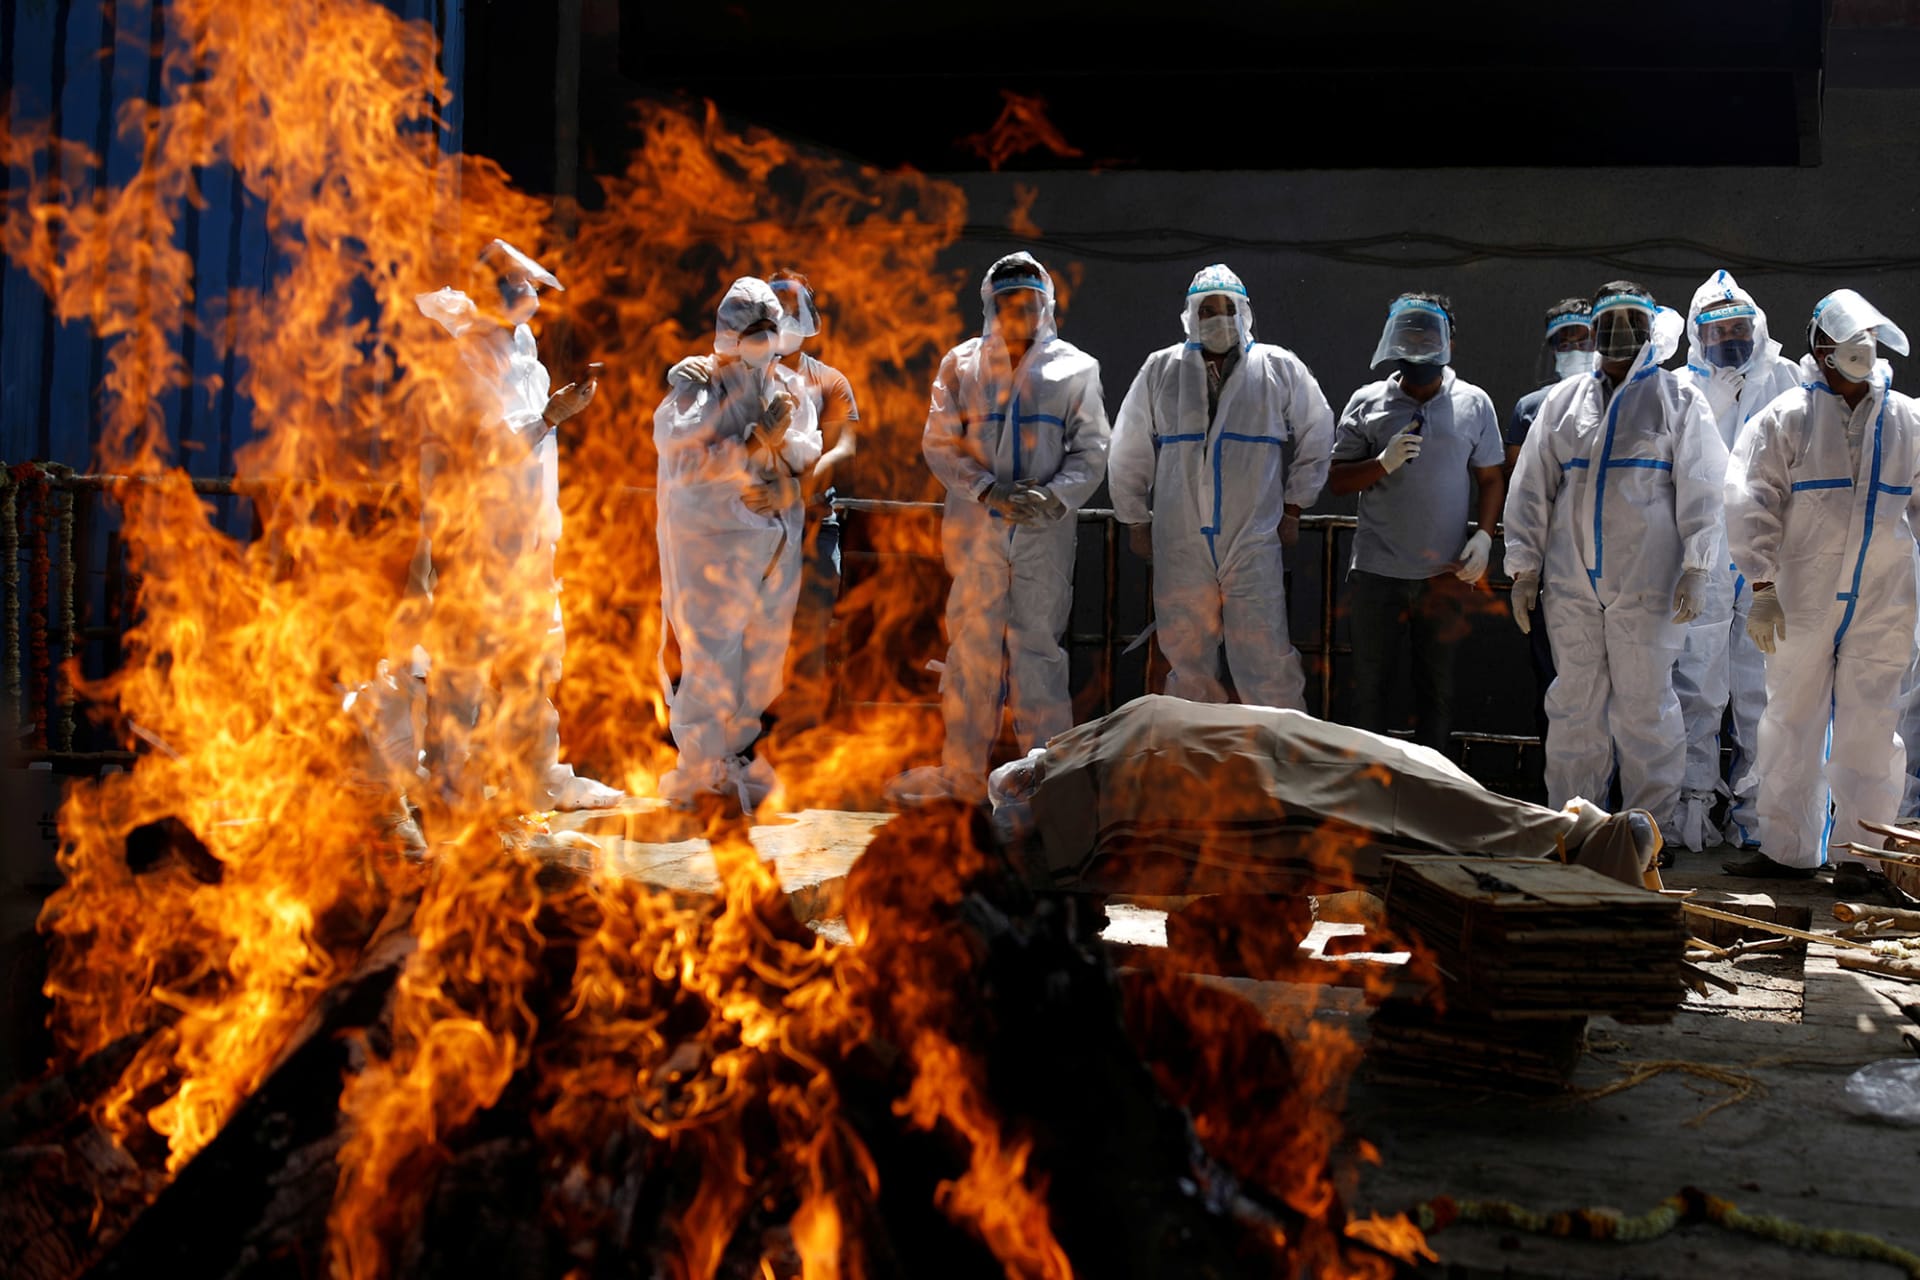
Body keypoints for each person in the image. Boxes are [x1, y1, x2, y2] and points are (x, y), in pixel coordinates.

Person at [1502, 282, 1727, 836]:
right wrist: (1524, 567)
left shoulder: (1677, 399)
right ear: (1595, 330)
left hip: (1647, 584)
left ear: (1651, 327)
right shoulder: (1565, 401)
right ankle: (1574, 830)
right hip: (1572, 582)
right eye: (1609, 323)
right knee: (1574, 707)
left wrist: (1699, 565)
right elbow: (1531, 486)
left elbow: (1703, 485)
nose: (1620, 335)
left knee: (1646, 710)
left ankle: (1648, 834)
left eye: (1631, 322)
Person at [411, 238, 622, 814]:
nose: (531, 295)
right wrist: (549, 416)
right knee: (465, 665)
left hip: (528, 535)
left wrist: (551, 415)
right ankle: (449, 787)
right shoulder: (472, 357)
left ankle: (538, 776)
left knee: (532, 660)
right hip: (480, 535)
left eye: (532, 285)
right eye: (521, 285)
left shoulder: (523, 351)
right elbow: (485, 448)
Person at [1723, 288, 1920, 904]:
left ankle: (1861, 857)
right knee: (1790, 718)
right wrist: (1761, 585)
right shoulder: (1787, 417)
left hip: (1883, 599)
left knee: (1872, 724)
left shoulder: (1907, 419)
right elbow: (1750, 501)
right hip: (1801, 598)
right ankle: (1786, 851)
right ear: (1821, 349)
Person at [905, 251, 1111, 803]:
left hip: (1044, 533)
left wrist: (1056, 496)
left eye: (1028, 302)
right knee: (972, 652)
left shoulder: (1075, 367)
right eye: (1007, 302)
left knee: (1038, 652)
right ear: (990, 305)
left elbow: (1093, 449)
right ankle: (963, 777)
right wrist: (986, 488)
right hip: (976, 530)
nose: (1018, 311)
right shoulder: (960, 365)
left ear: (1045, 304)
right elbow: (939, 442)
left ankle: (1041, 783)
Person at [1107, 263, 1334, 710]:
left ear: (1244, 312)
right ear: (1191, 314)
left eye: (1227, 308)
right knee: (1187, 654)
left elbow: (1319, 431)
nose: (1217, 317)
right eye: (1207, 309)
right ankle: (1197, 767)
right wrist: (1134, 517)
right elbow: (1128, 443)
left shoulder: (1278, 367)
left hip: (1252, 534)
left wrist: (1294, 507)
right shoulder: (1162, 368)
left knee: (1264, 652)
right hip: (1180, 536)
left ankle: (1277, 763)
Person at [654, 277, 822, 812]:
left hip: (773, 546)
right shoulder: (698, 386)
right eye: (752, 329)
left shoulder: (788, 388)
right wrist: (750, 446)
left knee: (762, 660)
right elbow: (686, 467)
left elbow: (807, 450)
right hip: (712, 545)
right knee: (711, 658)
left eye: (770, 328)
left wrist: (786, 477)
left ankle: (739, 758)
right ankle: (703, 769)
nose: (763, 339)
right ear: (728, 333)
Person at [668, 270, 861, 736]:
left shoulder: (822, 380)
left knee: (801, 638)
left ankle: (796, 740)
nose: (781, 318)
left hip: (810, 526)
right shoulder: (720, 373)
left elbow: (841, 448)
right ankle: (728, 748)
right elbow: (693, 451)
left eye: (792, 308)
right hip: (734, 532)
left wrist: (795, 492)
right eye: (774, 308)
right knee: (723, 642)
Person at [1327, 293, 1505, 753]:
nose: (1418, 342)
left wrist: (1484, 537)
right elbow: (1337, 481)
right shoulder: (1368, 401)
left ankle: (1433, 802)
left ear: (1447, 339)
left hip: (1442, 576)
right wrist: (1380, 464)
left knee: (1439, 694)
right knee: (1368, 692)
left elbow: (1490, 478)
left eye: (1428, 332)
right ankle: (1368, 798)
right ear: (1393, 338)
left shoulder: (1474, 403)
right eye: (1409, 332)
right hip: (1376, 575)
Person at [1669, 271, 1801, 852]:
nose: (1730, 336)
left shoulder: (1789, 378)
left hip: (1772, 557)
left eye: (1739, 325)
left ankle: (1758, 814)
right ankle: (1690, 811)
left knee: (1763, 689)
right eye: (1716, 328)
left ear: (1758, 326)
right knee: (1695, 685)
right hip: (1699, 557)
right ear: (1698, 335)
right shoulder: (1678, 387)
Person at [1503, 298, 1595, 752]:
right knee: (1554, 684)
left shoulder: (1630, 399)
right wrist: (1525, 569)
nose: (1575, 348)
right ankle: (1558, 795)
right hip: (1555, 571)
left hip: (1618, 571)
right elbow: (1522, 492)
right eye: (1565, 342)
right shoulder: (1532, 407)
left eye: (1583, 338)